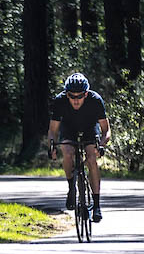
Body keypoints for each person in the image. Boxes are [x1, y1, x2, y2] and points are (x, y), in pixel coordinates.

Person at [47, 72, 111, 222]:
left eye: (80, 96)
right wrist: (52, 146)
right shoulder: (60, 101)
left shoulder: (95, 100)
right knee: (67, 151)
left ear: (86, 94)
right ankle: (71, 187)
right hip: (69, 128)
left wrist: (101, 145)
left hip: (90, 128)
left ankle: (96, 205)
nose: (76, 100)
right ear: (66, 94)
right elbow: (53, 130)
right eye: (72, 96)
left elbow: (106, 129)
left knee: (91, 158)